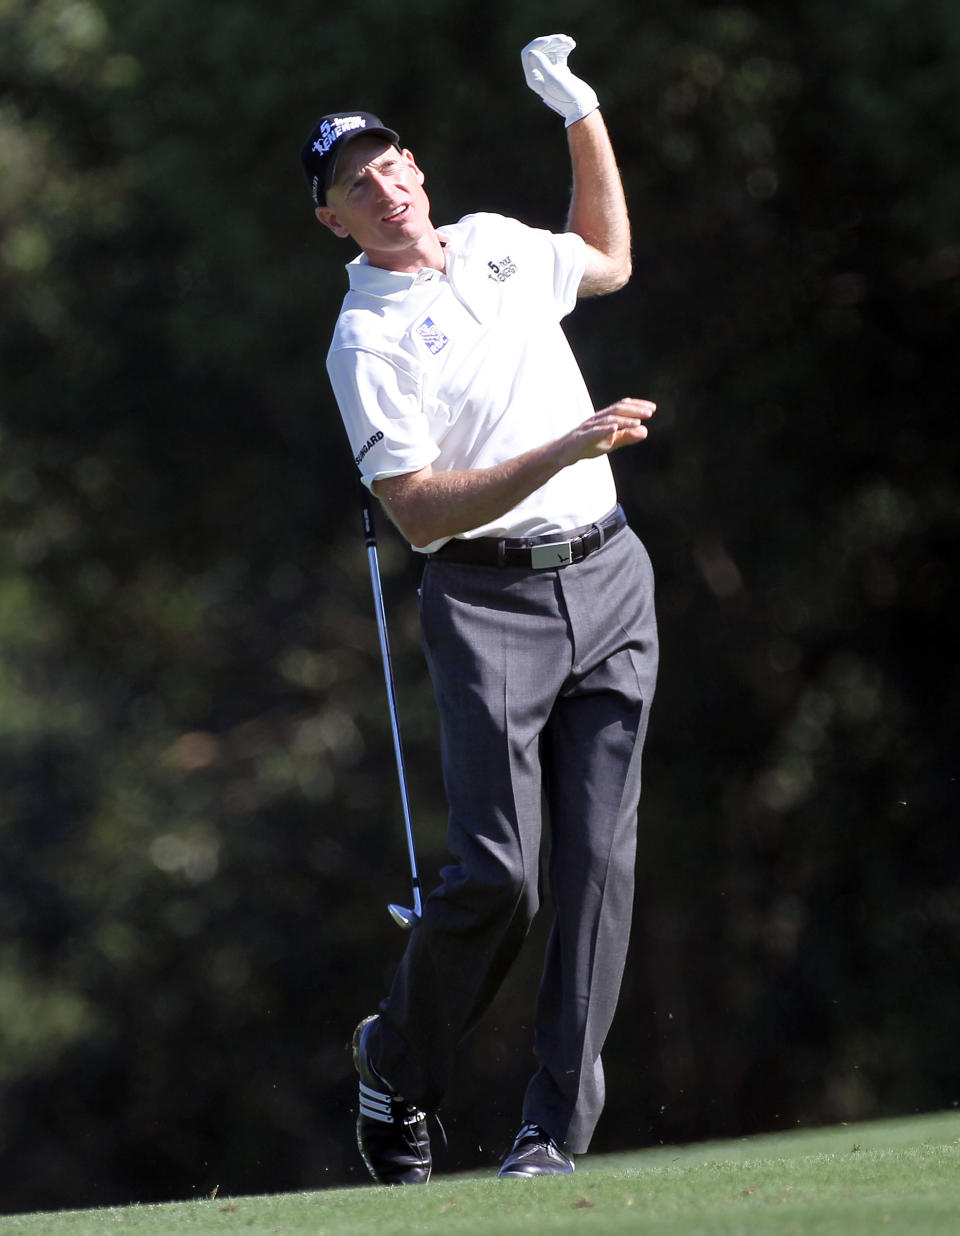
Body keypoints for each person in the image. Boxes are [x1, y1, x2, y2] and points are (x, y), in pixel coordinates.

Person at [300, 34, 659, 1184]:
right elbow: (416, 512)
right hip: (489, 600)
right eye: (355, 185)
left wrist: (580, 114)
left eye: (391, 164)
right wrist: (563, 445)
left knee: (600, 870)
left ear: (419, 171)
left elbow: (606, 258)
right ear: (335, 224)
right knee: (502, 876)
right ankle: (393, 1060)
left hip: (611, 579)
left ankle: (550, 1136)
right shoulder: (365, 339)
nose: (385, 187)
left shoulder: (499, 245)